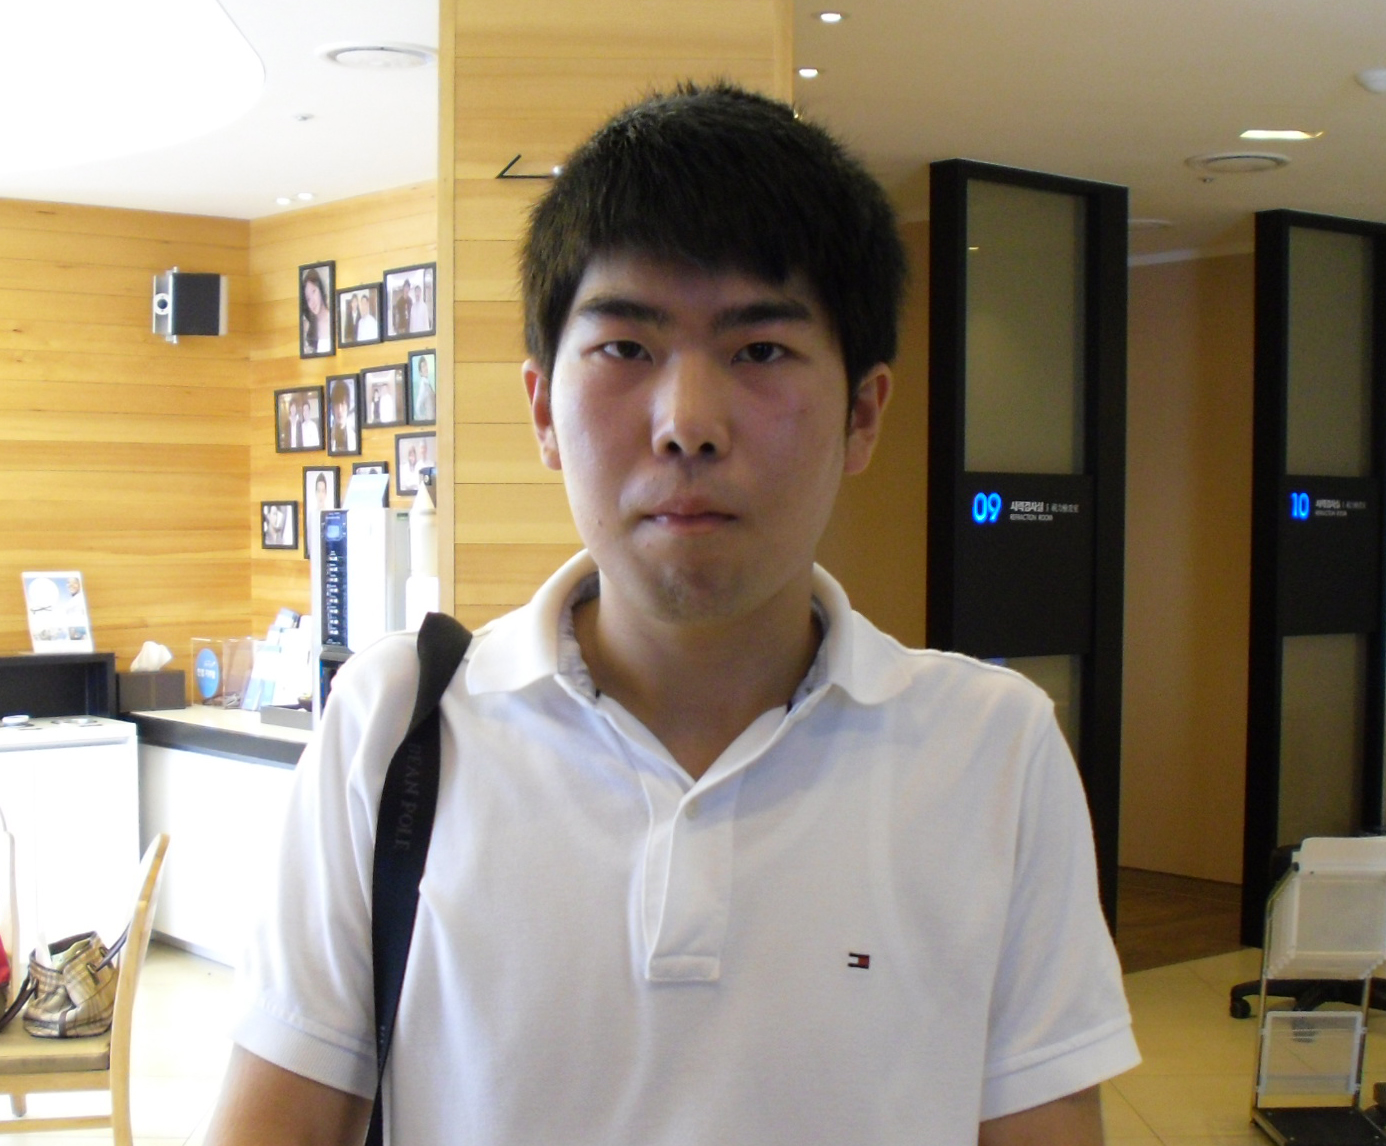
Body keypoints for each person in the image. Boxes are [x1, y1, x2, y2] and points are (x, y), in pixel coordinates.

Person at [205, 82, 1138, 1146]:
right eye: (625, 349)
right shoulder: (396, 727)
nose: (687, 423)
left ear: (864, 413)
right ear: (542, 409)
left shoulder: (992, 751)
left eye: (761, 351)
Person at [300, 267, 332, 355]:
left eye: (313, 292)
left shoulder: (334, 320)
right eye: (308, 299)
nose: (312, 302)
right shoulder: (309, 329)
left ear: (320, 289)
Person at [328, 379, 357, 454]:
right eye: (336, 405)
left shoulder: (354, 437)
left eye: (343, 404)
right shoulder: (327, 436)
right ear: (332, 408)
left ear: (348, 406)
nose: (339, 410)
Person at [412, 354, 436, 422]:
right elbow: (417, 408)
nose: (426, 368)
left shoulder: (428, 384)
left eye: (426, 365)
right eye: (423, 366)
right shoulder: (423, 385)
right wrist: (424, 420)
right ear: (420, 372)